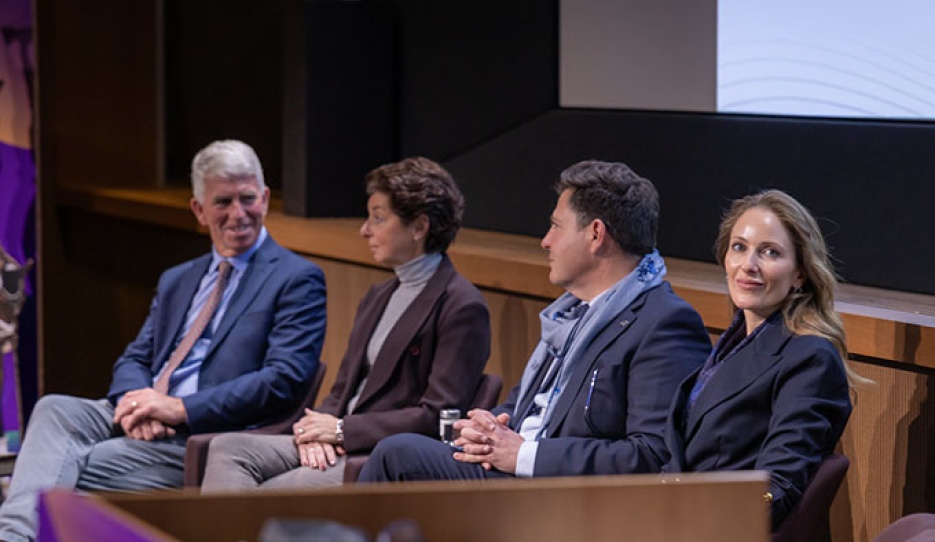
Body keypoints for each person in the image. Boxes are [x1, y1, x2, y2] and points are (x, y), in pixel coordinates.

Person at [0, 140, 327, 542]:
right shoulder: (180, 278)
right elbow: (136, 356)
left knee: (69, 466)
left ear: (265, 198)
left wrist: (178, 408)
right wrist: (139, 401)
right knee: (55, 410)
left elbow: (283, 380)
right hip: (147, 414)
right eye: (223, 202)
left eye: (248, 199)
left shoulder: (296, 278)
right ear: (198, 210)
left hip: (202, 432)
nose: (238, 214)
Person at [358, 160, 711, 482]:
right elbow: (521, 408)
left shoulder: (663, 322)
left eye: (556, 226)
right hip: (516, 470)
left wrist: (522, 454)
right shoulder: (571, 313)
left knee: (397, 454)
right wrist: (488, 426)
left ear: (595, 234)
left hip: (556, 493)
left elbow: (651, 455)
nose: (545, 241)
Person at [200, 156, 490, 490]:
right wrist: (315, 432)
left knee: (271, 493)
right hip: (338, 440)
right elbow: (341, 390)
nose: (364, 230)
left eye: (378, 218)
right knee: (227, 448)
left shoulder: (461, 305)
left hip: (377, 453)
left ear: (419, 227)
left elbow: (437, 416)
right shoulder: (379, 295)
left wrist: (341, 432)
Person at [662, 189, 854, 529]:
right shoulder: (734, 343)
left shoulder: (811, 357)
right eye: (739, 247)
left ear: (800, 274)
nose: (748, 265)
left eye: (770, 253)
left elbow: (776, 487)